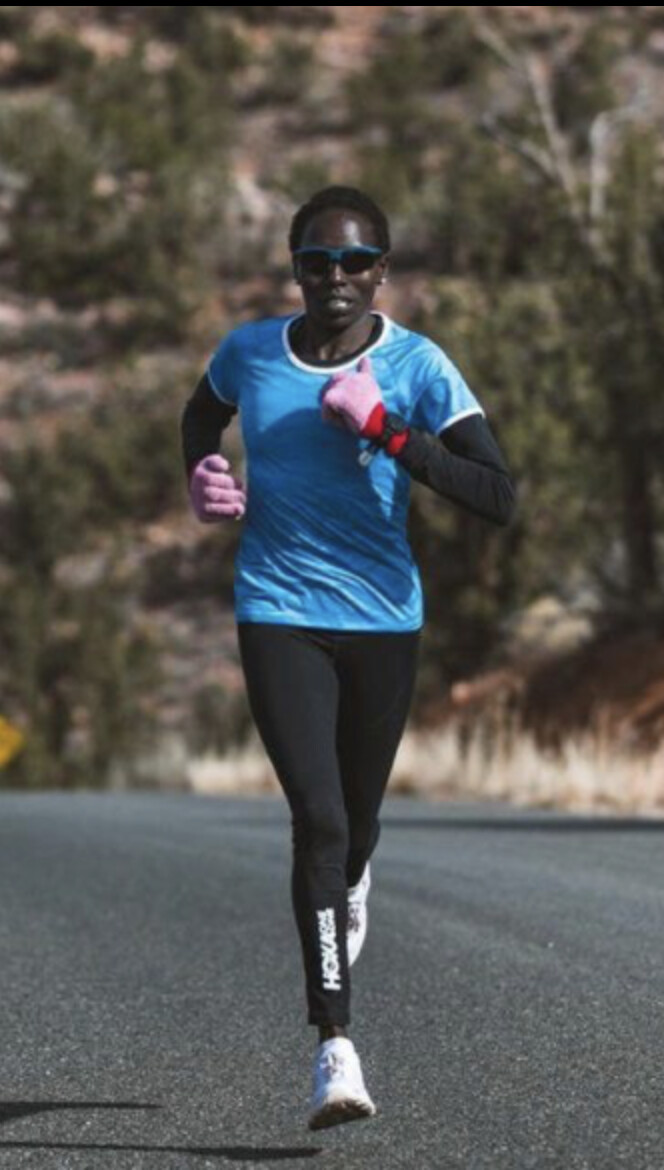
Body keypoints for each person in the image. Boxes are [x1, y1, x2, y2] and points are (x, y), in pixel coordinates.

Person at [180, 187, 515, 1129]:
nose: (336, 277)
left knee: (356, 825)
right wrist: (203, 477)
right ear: (295, 269)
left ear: (382, 272)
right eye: (317, 261)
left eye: (355, 261)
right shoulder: (250, 352)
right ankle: (335, 1048)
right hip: (277, 611)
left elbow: (496, 495)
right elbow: (200, 418)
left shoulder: (417, 365)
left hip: (383, 621)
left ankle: (355, 874)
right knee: (319, 822)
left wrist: (388, 431)